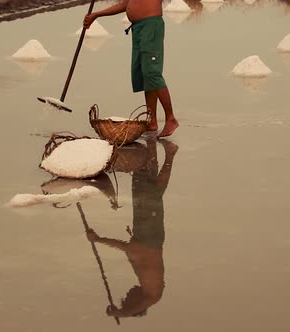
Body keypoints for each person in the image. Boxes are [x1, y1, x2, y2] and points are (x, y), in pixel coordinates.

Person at [85, 137, 179, 317]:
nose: (128, 293)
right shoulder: (152, 290)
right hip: (150, 235)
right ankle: (170, 154)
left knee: (142, 183)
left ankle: (151, 149)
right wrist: (124, 312)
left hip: (143, 230)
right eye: (128, 298)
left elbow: (128, 249)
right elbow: (129, 249)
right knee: (153, 194)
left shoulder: (142, 279)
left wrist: (99, 239)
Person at [83, 0, 179, 138]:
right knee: (145, 75)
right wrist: (97, 14)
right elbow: (126, 4)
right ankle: (152, 122)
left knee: (152, 73)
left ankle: (171, 118)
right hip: (138, 28)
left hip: (151, 26)